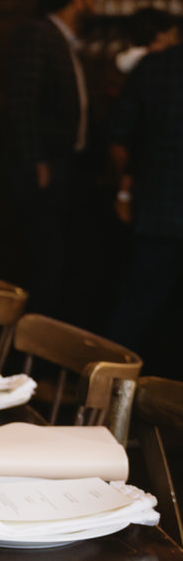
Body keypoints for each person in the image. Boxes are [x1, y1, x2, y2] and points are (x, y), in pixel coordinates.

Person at [5, 0, 97, 319]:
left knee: (63, 255)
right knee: (44, 255)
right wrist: (38, 161)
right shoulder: (37, 33)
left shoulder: (66, 40)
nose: (95, 4)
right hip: (44, 164)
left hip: (68, 161)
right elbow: (23, 102)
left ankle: (53, 332)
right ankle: (36, 337)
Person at [107, 37, 183, 365]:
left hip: (158, 208)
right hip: (158, 210)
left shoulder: (155, 66)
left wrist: (127, 185)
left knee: (135, 312)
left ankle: (109, 387)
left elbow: (118, 133)